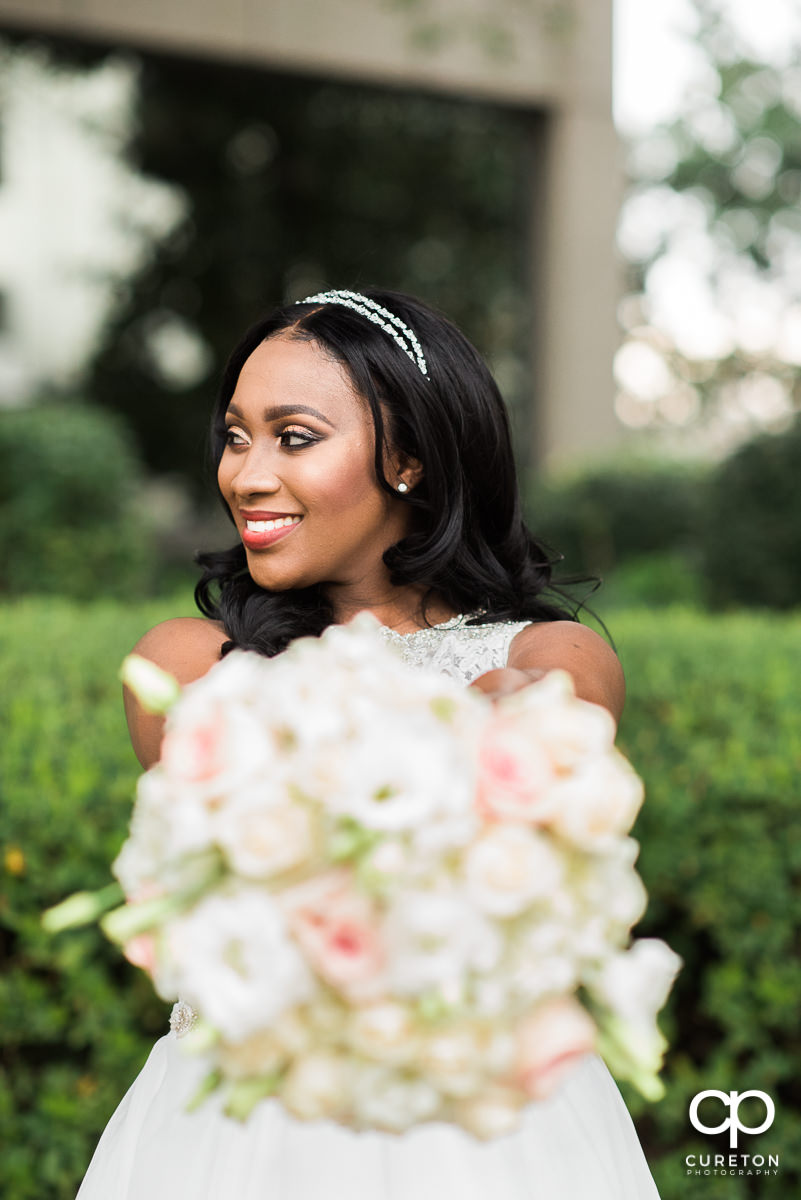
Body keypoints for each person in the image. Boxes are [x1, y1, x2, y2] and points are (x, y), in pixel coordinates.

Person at [77, 288, 659, 1198]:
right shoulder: (187, 664)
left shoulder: (549, 656)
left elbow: (527, 739)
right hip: (237, 1130)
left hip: (479, 1135)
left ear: (411, 458)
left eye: (294, 437)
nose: (246, 475)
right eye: (236, 436)